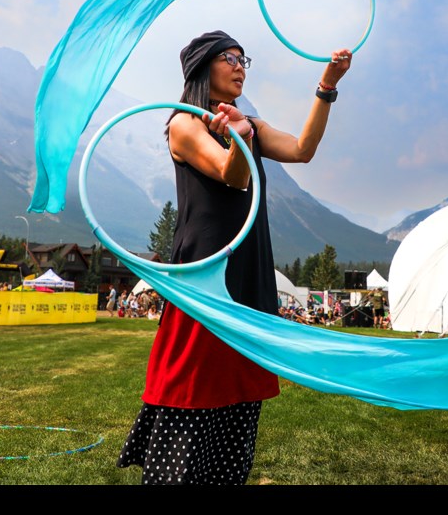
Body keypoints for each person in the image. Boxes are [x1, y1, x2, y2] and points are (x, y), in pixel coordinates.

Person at [117, 30, 352, 484]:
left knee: (240, 392)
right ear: (203, 66)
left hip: (247, 267)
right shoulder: (185, 125)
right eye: (230, 57)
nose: (241, 65)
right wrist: (241, 139)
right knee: (192, 384)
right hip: (206, 272)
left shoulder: (248, 124)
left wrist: (327, 86)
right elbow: (232, 176)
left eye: (245, 58)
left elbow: (303, 150)